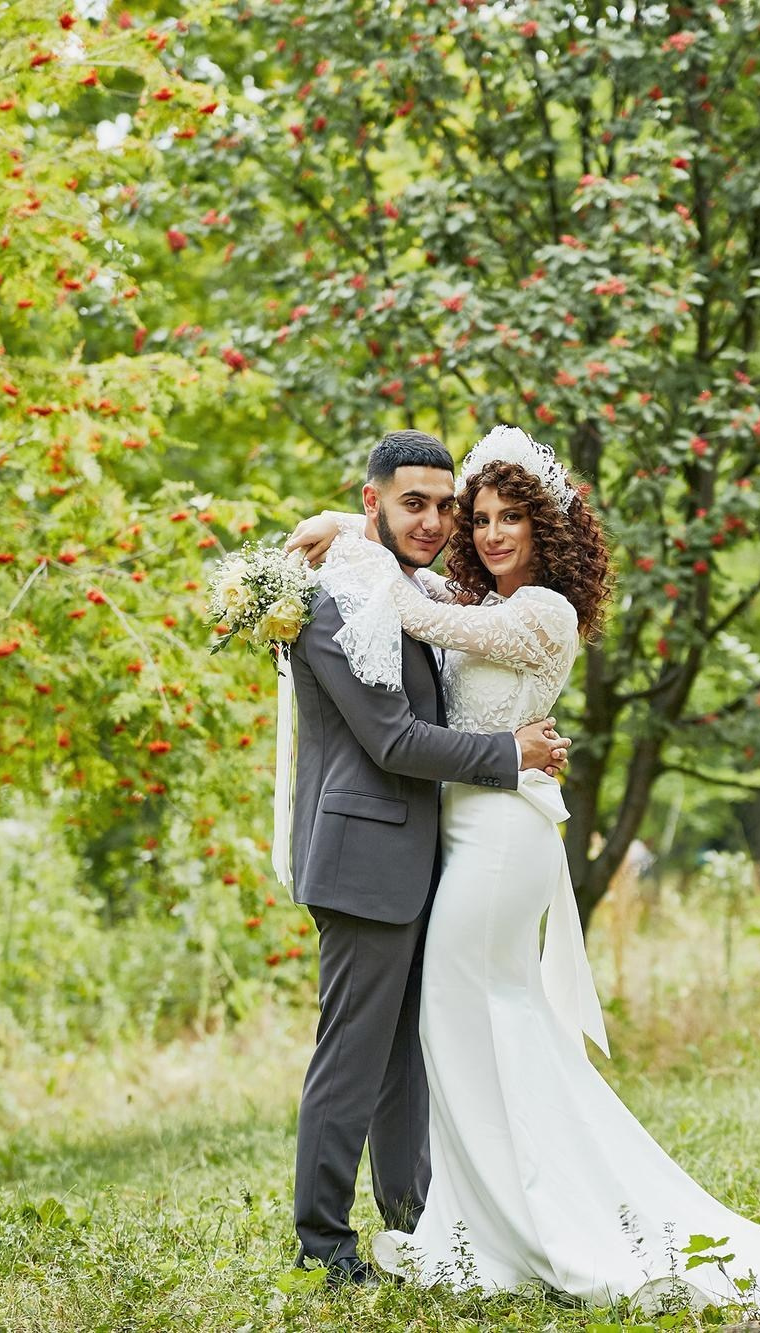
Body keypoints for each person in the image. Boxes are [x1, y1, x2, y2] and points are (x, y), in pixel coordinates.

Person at [284, 424, 760, 1310]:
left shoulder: (534, 610)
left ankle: (483, 1220)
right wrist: (351, 526)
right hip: (433, 842)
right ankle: (415, 1225)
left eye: (496, 516)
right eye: (474, 516)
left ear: (545, 530)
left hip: (495, 841)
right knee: (436, 1036)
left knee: (463, 1026)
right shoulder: (402, 593)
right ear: (384, 500)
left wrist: (352, 531)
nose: (483, 531)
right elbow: (390, 718)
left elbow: (416, 613)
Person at [285, 430, 571, 1288]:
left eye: (447, 504)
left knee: (405, 1057)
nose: (438, 520)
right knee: (354, 1054)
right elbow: (392, 739)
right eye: (416, 502)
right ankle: (323, 1243)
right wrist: (510, 754)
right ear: (373, 501)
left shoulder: (406, 586)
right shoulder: (337, 601)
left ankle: (413, 1219)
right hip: (363, 856)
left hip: (425, 855)